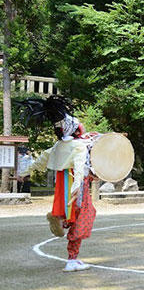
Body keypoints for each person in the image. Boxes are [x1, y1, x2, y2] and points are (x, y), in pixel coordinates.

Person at [16, 95, 99, 272]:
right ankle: (71, 258)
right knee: (83, 216)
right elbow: (78, 168)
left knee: (72, 215)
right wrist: (77, 188)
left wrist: (23, 173)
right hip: (77, 186)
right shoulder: (79, 146)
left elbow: (39, 162)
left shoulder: (57, 146)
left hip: (62, 185)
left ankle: (61, 220)